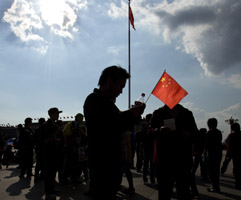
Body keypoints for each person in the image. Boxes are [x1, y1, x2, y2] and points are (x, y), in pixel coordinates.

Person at [83, 66, 145, 200]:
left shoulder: (108, 104)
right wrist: (131, 114)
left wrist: (134, 115)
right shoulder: (93, 100)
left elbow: (121, 126)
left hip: (113, 165)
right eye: (121, 86)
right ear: (109, 81)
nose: (121, 91)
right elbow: (108, 126)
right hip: (102, 165)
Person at [151, 104, 198, 200]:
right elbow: (149, 132)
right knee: (164, 192)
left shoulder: (186, 113)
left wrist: (188, 134)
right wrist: (159, 130)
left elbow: (195, 134)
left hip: (183, 158)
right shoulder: (158, 113)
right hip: (164, 159)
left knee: (184, 192)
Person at [42, 107, 65, 200]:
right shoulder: (46, 126)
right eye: (56, 113)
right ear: (51, 114)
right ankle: (48, 192)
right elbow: (46, 140)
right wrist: (57, 133)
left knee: (53, 172)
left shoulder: (53, 124)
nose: (58, 115)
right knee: (49, 173)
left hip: (55, 152)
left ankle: (52, 189)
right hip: (49, 153)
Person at [228, 123, 241, 190]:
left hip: (235, 155)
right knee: (240, 168)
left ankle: (238, 183)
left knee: (236, 168)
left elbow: (230, 146)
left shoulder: (232, 136)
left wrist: (228, 155)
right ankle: (239, 183)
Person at [205, 118, 222, 193]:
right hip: (218, 153)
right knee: (216, 171)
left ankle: (215, 187)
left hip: (212, 153)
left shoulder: (210, 132)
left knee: (211, 171)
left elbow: (207, 144)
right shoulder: (219, 132)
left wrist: (205, 152)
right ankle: (215, 186)